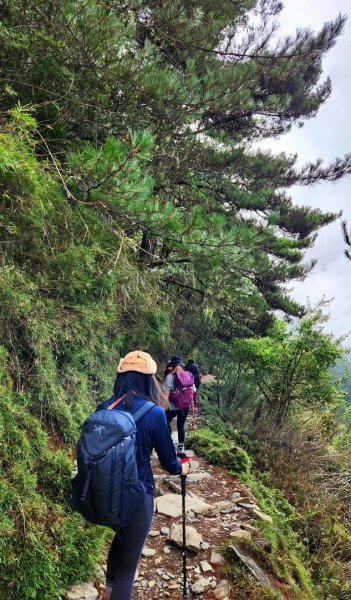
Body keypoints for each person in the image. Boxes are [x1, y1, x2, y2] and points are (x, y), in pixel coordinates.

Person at [95, 351, 190, 600]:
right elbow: (170, 462)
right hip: (136, 497)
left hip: (104, 494)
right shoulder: (154, 413)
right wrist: (183, 468)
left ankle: (110, 591)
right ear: (150, 380)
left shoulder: (105, 406)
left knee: (120, 542)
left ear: (121, 377)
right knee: (128, 569)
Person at [163, 354, 194, 459]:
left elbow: (166, 396)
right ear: (181, 365)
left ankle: (170, 442)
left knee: (165, 422)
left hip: (173, 407)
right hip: (185, 407)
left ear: (172, 365)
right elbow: (194, 390)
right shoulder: (188, 375)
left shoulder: (170, 376)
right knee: (180, 426)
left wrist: (163, 408)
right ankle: (181, 448)